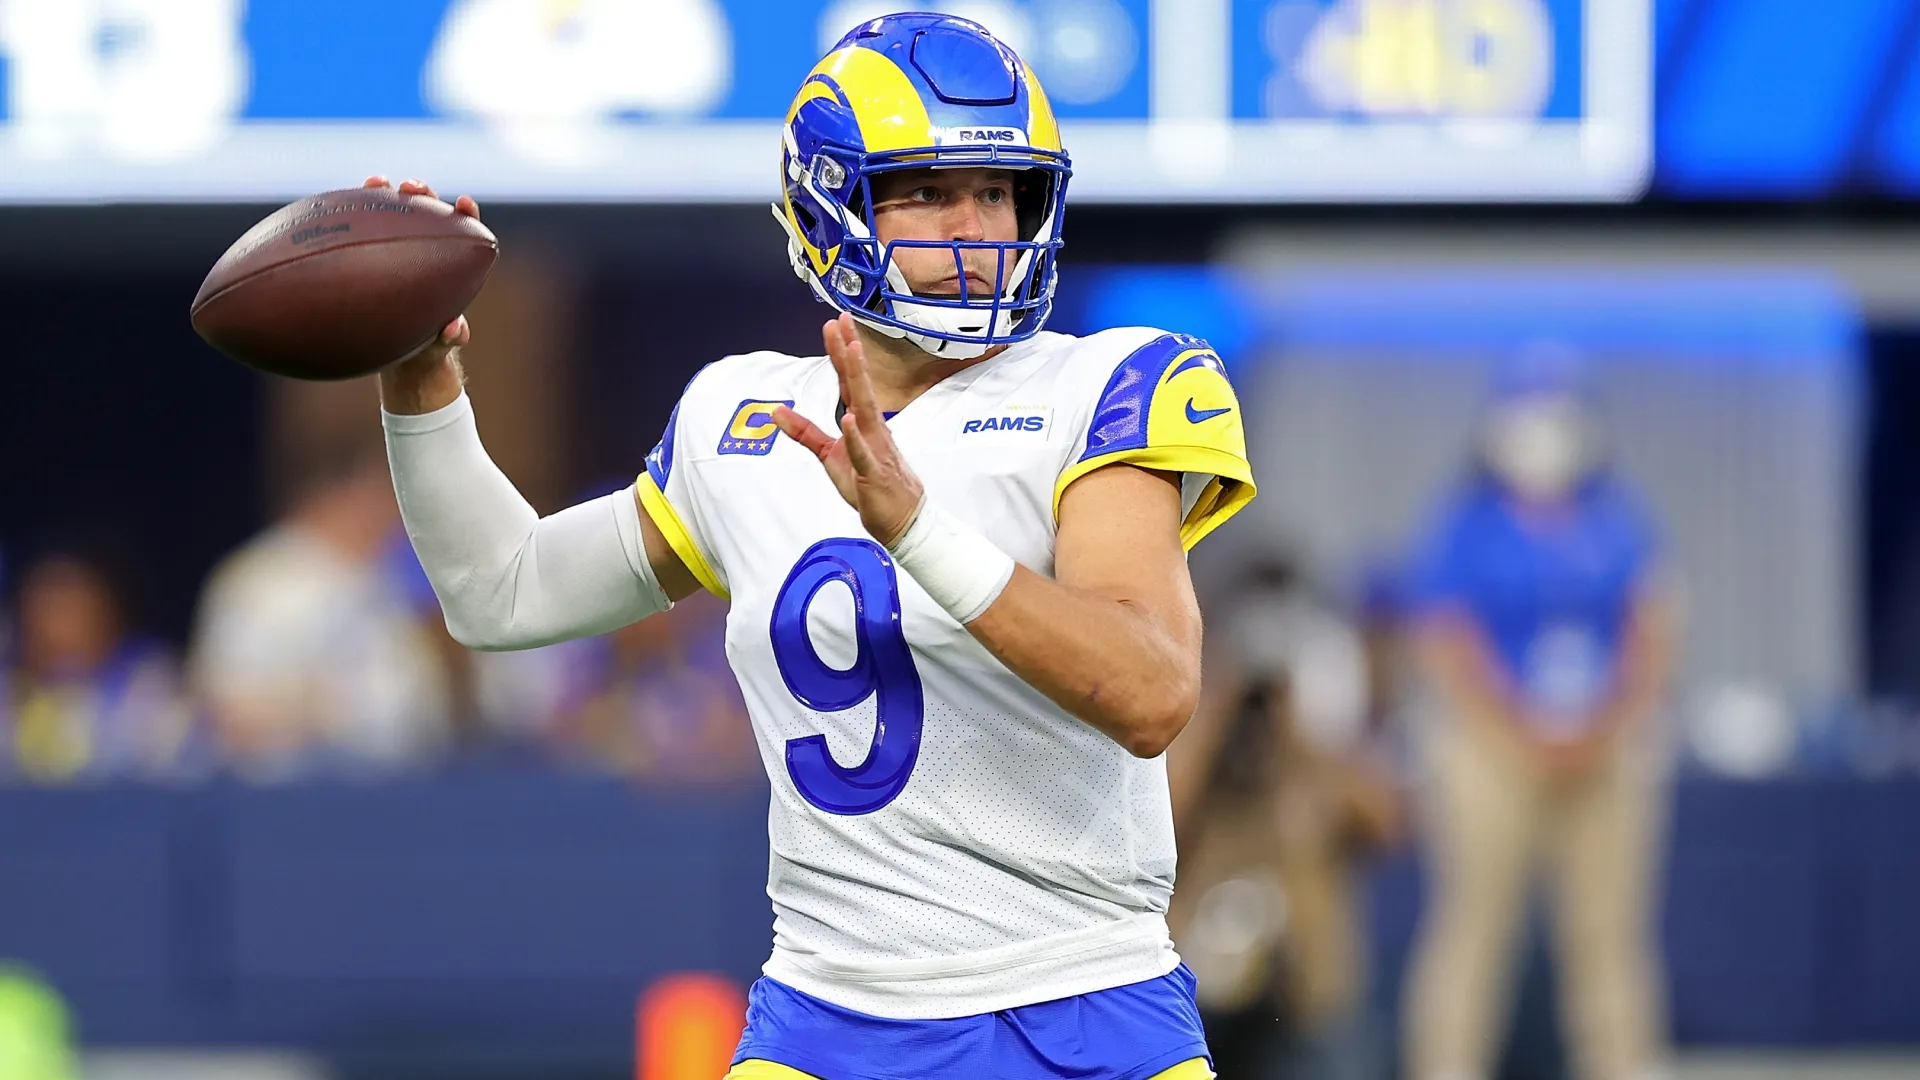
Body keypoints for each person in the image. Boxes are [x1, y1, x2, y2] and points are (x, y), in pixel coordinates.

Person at [374, 14, 1255, 1079]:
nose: (976, 228)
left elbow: (1151, 691)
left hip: (1082, 1008)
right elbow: (502, 593)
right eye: (926, 191)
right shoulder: (742, 416)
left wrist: (916, 530)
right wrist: (421, 390)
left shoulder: (1105, 383)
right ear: (829, 208)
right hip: (829, 1016)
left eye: (998, 191)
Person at [1401, 357, 1676, 1080]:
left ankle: (1623, 1066)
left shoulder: (1616, 517)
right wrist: (1522, 730)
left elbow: (1652, 626)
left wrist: (1603, 724)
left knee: (1609, 935)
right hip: (1490, 748)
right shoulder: (1467, 523)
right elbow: (1445, 638)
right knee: (1474, 925)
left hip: (1605, 746)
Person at [1167, 559, 1399, 1080]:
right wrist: (1217, 710)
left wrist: (1299, 731)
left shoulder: (1317, 746)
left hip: (1307, 991)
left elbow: (1384, 822)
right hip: (1200, 989)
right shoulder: (1191, 730)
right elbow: (1162, 822)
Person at [189, 424, 453, 780]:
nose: (395, 509)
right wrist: (325, 711)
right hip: (290, 795)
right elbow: (226, 712)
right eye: (383, 490)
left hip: (401, 788)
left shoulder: (394, 579)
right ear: (338, 491)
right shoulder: (257, 582)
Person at [1, 544, 197, 784]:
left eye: (73, 609)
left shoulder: (152, 682)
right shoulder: (10, 691)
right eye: (45, 610)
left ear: (108, 613)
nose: (57, 629)